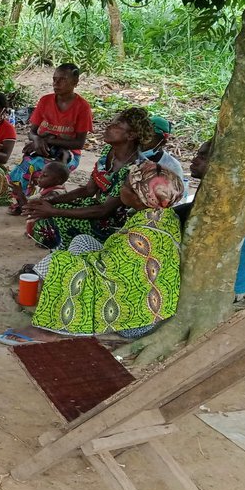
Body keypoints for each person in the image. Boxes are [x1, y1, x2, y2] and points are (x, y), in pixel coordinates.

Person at [31, 161, 184, 337]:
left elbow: (109, 271)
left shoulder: (140, 237)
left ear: (139, 196)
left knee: (60, 263)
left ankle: (48, 309)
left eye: (126, 185)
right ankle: (54, 293)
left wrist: (64, 266)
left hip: (135, 322)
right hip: (146, 303)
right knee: (83, 242)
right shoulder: (161, 214)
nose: (120, 188)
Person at [25, 107, 153, 250]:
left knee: (56, 217)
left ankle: (67, 256)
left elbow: (105, 210)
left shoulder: (134, 168)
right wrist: (49, 200)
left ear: (131, 135)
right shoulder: (109, 152)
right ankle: (63, 253)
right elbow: (88, 189)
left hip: (113, 224)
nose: (108, 126)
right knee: (47, 208)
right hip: (96, 209)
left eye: (116, 125)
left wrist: (53, 210)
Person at [175, 139, 245, 297]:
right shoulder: (214, 187)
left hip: (228, 284)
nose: (194, 159)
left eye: (202, 156)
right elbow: (189, 211)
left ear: (219, 164)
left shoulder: (223, 197)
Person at [8, 64, 93, 213]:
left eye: (62, 80)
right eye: (54, 79)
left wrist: (45, 140)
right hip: (44, 147)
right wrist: (36, 140)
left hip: (69, 154)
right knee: (23, 167)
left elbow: (79, 143)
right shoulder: (45, 101)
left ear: (75, 82)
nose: (56, 83)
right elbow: (32, 132)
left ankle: (44, 202)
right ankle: (23, 201)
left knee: (41, 167)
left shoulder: (82, 107)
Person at [24, 161, 71, 240]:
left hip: (51, 222)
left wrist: (22, 197)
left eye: (45, 176)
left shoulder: (55, 193)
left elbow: (41, 202)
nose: (40, 177)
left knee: (44, 222)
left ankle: (45, 238)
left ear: (58, 181)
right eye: (41, 173)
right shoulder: (47, 186)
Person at [143, 115, 186, 180]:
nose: (143, 140)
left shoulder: (172, 167)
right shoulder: (130, 155)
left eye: (149, 138)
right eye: (143, 135)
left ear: (162, 142)